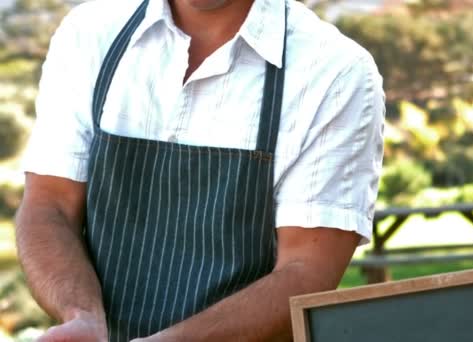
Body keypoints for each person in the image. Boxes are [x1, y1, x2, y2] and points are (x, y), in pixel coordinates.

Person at [15, 0, 385, 340]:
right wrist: (82, 317)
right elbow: (50, 204)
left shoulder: (334, 72)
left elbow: (308, 271)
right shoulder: (89, 33)